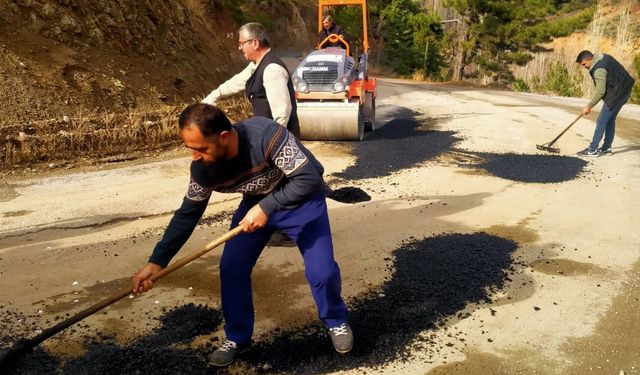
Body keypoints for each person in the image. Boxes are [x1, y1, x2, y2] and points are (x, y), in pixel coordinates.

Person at [131, 104, 353, 367]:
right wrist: (157, 262)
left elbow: (309, 179)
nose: (194, 156)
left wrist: (267, 207)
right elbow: (187, 215)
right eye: (189, 147)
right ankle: (238, 336)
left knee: (322, 271)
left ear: (224, 137)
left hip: (302, 200)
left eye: (201, 148)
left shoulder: (267, 136)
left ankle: (336, 320)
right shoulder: (202, 170)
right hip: (256, 204)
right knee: (231, 269)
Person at [201, 22, 300, 139]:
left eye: (241, 43)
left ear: (255, 43)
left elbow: (282, 113)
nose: (239, 48)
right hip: (267, 136)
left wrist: (273, 144)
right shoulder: (256, 65)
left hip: (279, 141)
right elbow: (236, 82)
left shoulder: (272, 69)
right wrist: (212, 97)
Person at [575, 50, 634, 157]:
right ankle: (606, 148)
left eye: (584, 64)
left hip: (616, 95)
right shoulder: (604, 57)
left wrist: (589, 106)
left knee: (601, 121)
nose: (584, 67)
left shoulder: (599, 70)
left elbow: (600, 92)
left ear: (588, 59)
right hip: (625, 91)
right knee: (610, 120)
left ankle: (592, 149)